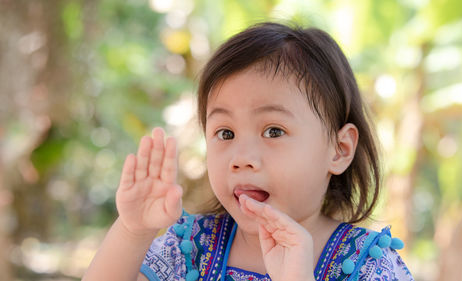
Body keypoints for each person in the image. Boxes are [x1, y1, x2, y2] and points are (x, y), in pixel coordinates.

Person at [83, 22, 414, 281]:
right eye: (225, 133)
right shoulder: (191, 248)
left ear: (339, 150)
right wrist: (133, 232)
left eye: (273, 131)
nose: (241, 158)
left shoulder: (370, 264)